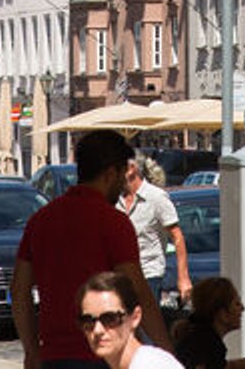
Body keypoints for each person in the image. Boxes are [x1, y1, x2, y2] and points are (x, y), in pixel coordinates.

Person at [14, 130, 172, 369]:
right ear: (110, 173)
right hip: (103, 354)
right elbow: (137, 290)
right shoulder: (113, 222)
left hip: (52, 356)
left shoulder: (41, 220)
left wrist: (32, 350)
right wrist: (166, 352)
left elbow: (19, 290)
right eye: (122, 175)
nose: (123, 185)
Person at [119, 158, 188, 308]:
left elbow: (177, 236)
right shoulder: (116, 200)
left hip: (149, 276)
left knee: (146, 327)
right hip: (121, 277)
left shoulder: (156, 197)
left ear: (131, 169)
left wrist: (183, 278)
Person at [79, 270, 183, 369]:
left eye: (109, 319)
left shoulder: (153, 365)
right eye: (88, 321)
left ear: (135, 317)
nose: (97, 330)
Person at [170, 277, 245, 369]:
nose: (243, 308)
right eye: (237, 304)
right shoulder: (208, 346)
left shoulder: (199, 338)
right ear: (222, 314)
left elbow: (228, 367)